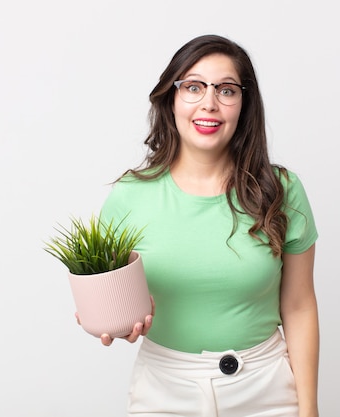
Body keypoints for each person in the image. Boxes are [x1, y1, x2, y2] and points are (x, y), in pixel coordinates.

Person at [87, 34, 319, 417]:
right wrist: (108, 320)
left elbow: (299, 306)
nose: (209, 103)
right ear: (171, 98)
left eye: (226, 90)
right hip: (164, 390)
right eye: (193, 87)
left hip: (266, 389)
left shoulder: (282, 191)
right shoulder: (129, 196)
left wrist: (309, 410)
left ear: (244, 104)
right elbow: (111, 299)